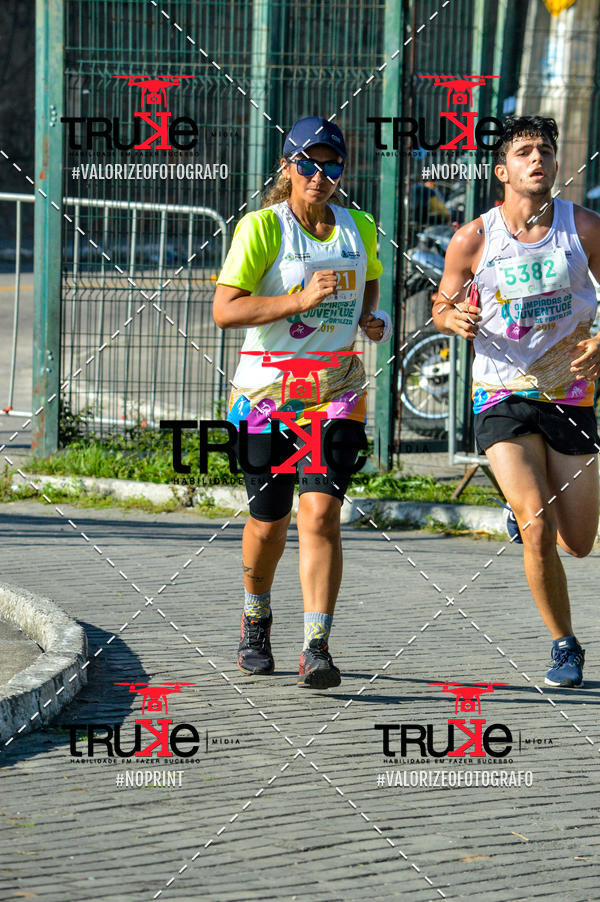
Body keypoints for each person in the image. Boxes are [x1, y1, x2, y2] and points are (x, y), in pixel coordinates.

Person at [213, 116, 388, 689]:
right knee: (269, 522)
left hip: (336, 394)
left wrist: (368, 316)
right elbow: (225, 310)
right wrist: (298, 301)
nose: (319, 175)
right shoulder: (263, 228)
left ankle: (316, 646)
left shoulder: (359, 226)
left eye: (331, 165)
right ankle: (256, 619)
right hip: (266, 398)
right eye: (307, 163)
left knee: (321, 514)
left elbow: (368, 279)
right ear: (287, 167)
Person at [434, 115, 600, 688]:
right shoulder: (474, 239)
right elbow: (442, 304)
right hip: (501, 392)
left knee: (579, 541)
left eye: (545, 151)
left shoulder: (584, 228)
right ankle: (565, 645)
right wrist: (452, 317)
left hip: (569, 393)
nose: (538, 159)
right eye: (524, 151)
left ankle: (524, 511)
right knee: (537, 525)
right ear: (502, 170)